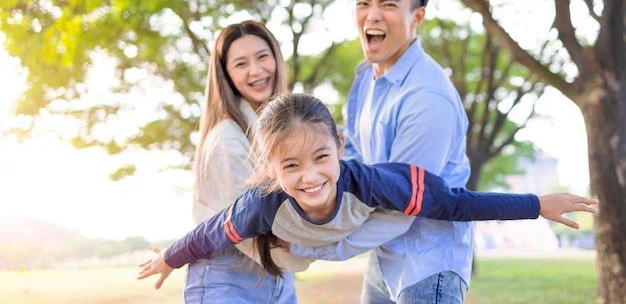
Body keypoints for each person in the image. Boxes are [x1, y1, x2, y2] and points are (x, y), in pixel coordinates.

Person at [137, 93, 598, 290]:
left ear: (339, 147)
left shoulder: (372, 183)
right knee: (261, 246)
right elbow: (207, 235)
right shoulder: (260, 207)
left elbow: (459, 202)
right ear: (270, 169)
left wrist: (537, 204)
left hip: (384, 203)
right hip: (298, 239)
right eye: (291, 166)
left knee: (424, 207)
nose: (311, 177)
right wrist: (167, 259)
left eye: (321, 158)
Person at [290, 0, 532, 303]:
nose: (372, 15)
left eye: (388, 3)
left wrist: (311, 246)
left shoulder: (427, 98)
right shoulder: (365, 80)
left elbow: (406, 207)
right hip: (384, 256)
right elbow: (354, 166)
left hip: (427, 266)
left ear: (416, 17)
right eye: (364, 3)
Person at [183, 20, 297, 303]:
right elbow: (253, 225)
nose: (256, 71)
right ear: (226, 75)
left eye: (262, 57)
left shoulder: (274, 131)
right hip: (227, 277)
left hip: (275, 276)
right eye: (241, 64)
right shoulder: (227, 139)